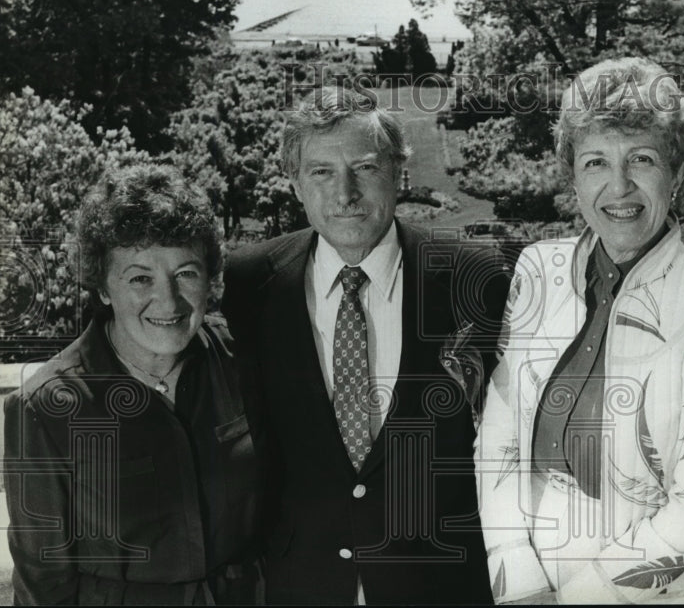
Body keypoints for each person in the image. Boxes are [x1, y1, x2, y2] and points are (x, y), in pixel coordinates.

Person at [476, 57, 684, 604]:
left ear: (676, 174)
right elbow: (498, 438)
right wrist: (517, 573)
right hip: (522, 579)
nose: (619, 186)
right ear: (573, 178)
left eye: (643, 159)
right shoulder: (537, 271)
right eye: (596, 162)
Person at [221, 86, 508, 605]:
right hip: (299, 585)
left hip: (441, 585)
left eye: (365, 168)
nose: (345, 193)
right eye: (322, 172)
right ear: (295, 183)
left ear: (399, 171)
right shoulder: (247, 285)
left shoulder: (475, 279)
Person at [3, 165, 266, 604]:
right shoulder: (44, 409)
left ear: (209, 277)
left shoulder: (243, 360)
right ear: (103, 287)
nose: (167, 300)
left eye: (186, 273)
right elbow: (43, 583)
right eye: (140, 278)